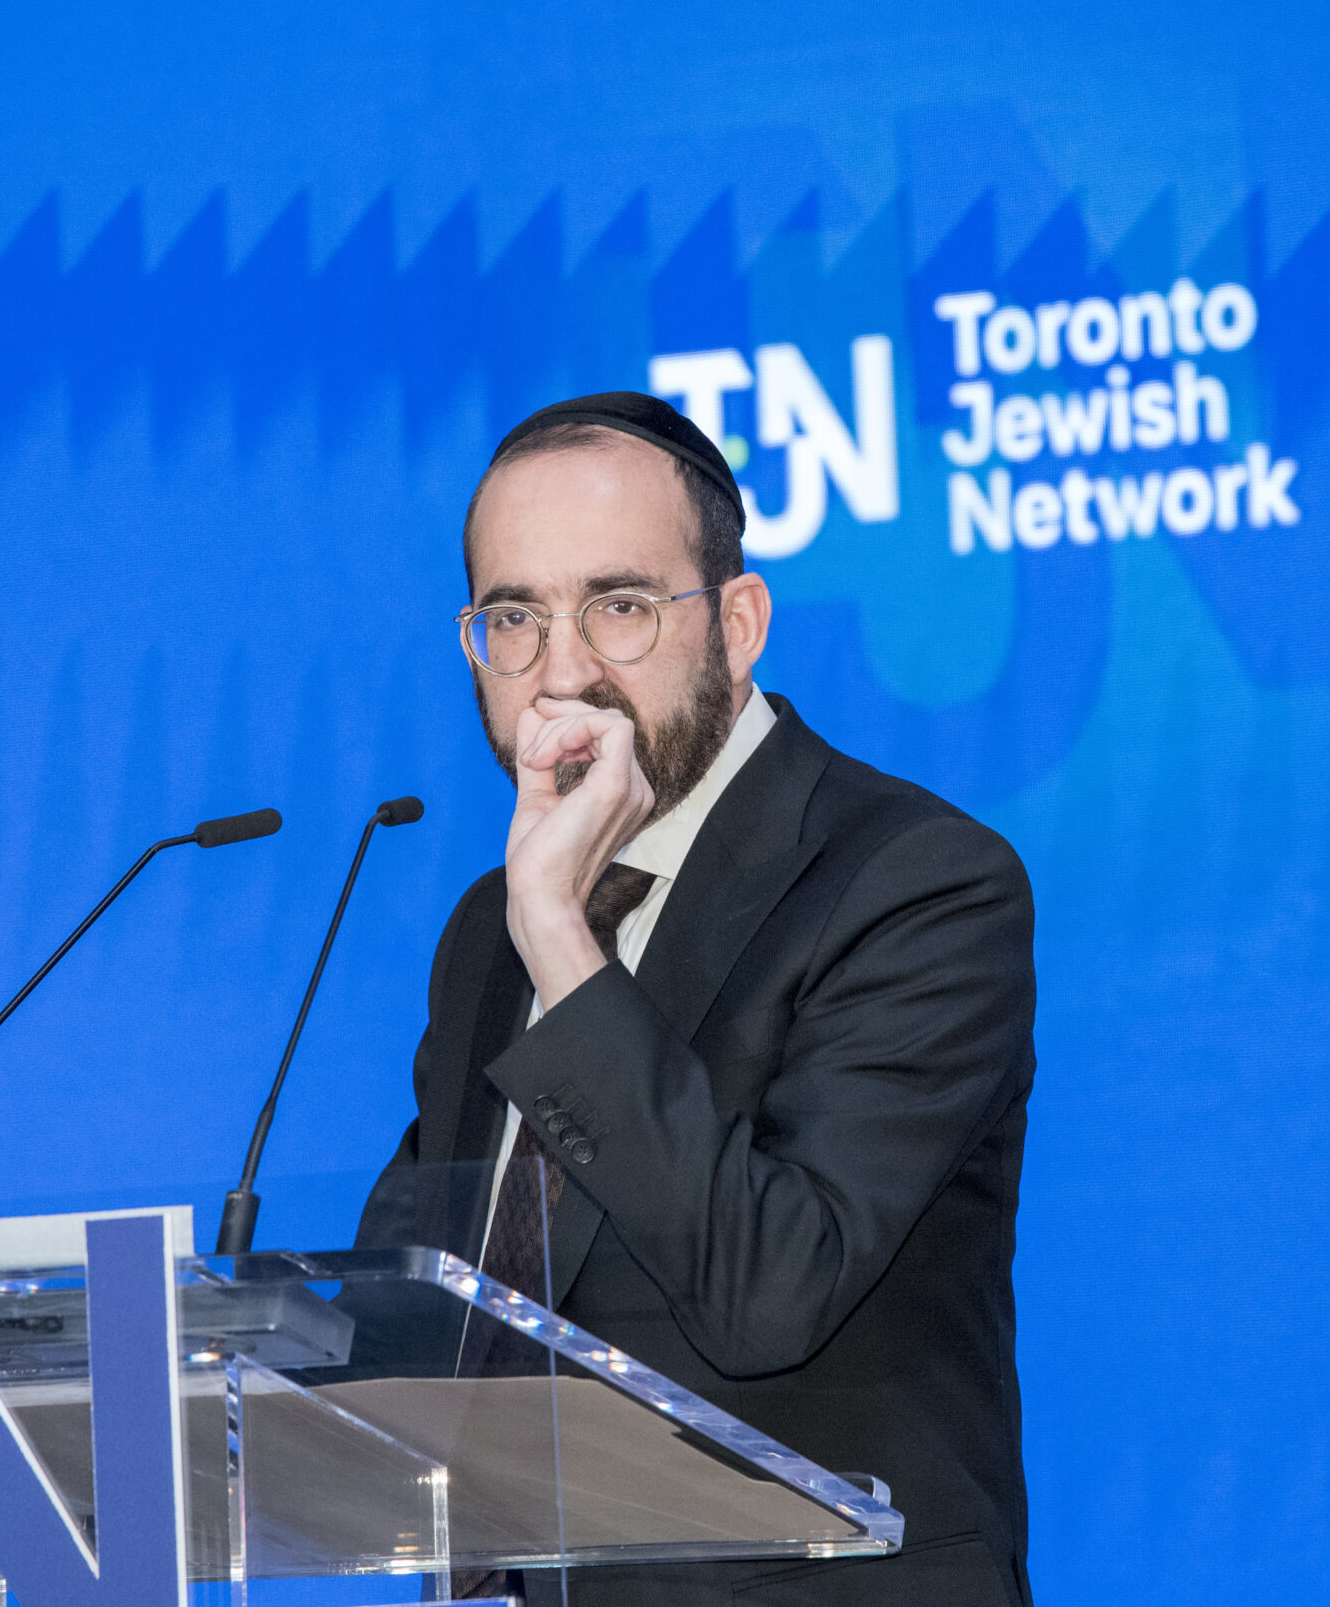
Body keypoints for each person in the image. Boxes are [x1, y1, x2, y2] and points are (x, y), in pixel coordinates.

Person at [378, 391, 1037, 1605]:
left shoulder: (915, 882)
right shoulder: (490, 924)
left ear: (737, 624)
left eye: (619, 606)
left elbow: (770, 1293)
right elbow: (427, 1301)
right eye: (514, 617)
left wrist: (561, 942)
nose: (561, 672)